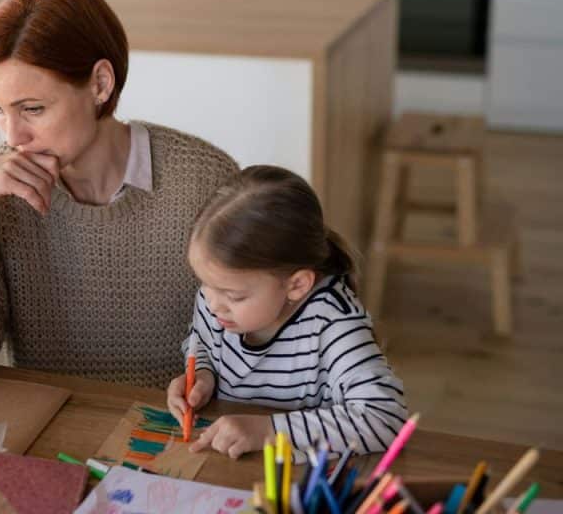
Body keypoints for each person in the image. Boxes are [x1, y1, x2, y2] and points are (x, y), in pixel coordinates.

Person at [0, 0, 239, 388]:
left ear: (100, 84)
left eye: (33, 108)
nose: (12, 137)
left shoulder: (207, 180)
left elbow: (259, 346)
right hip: (51, 435)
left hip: (175, 435)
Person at [167, 165, 407, 458]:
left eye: (234, 295)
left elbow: (386, 418)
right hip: (227, 466)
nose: (212, 303)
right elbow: (200, 341)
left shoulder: (333, 323)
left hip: (296, 481)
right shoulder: (217, 296)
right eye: (204, 284)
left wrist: (268, 432)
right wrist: (203, 375)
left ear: (296, 285)